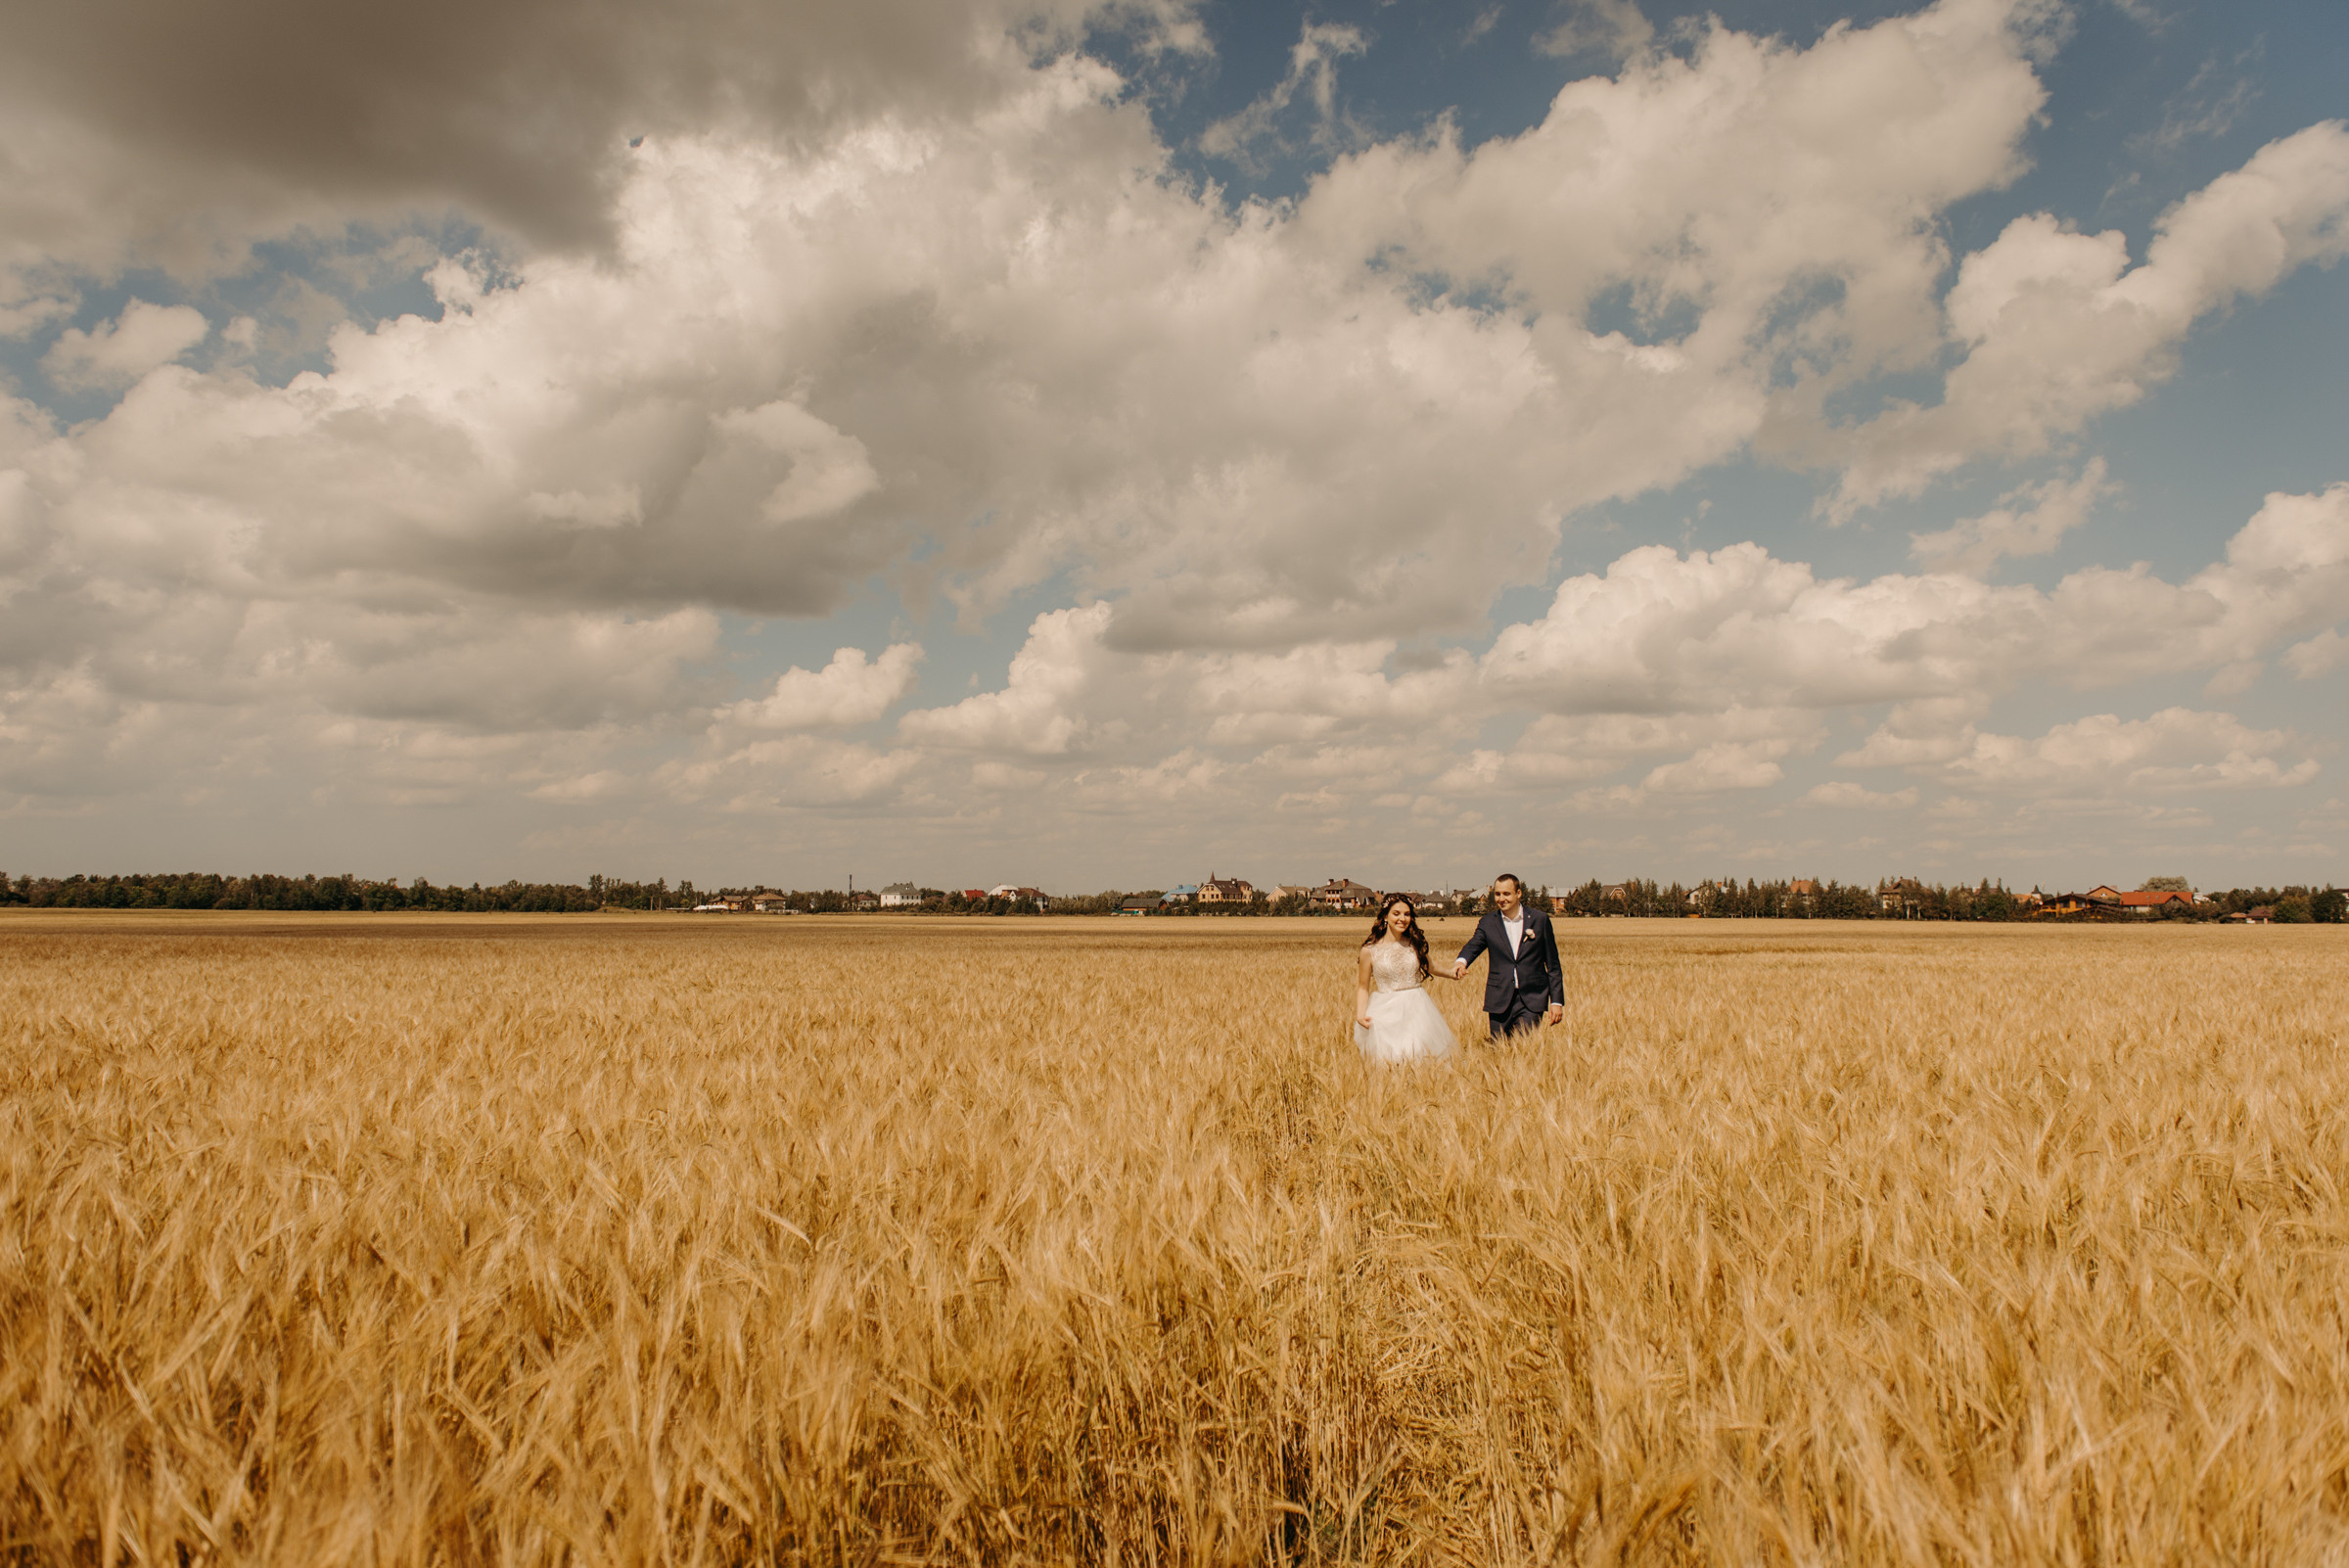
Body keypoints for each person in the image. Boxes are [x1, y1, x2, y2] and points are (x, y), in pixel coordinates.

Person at [1451, 873, 1563, 1043]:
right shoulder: (1488, 922)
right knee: (1498, 1049)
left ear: (1519, 893)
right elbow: (1474, 945)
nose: (1501, 899)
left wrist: (1556, 1002)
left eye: (1506, 894)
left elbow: (1553, 964)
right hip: (1499, 998)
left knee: (1526, 1050)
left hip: (1532, 998)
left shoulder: (1540, 920)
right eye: (1497, 894)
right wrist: (1461, 962)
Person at [1353, 894, 1457, 1063]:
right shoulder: (1369, 951)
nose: (1402, 918)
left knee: (1419, 1056)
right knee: (1389, 1060)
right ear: (1385, 916)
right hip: (1386, 1013)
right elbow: (1363, 987)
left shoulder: (1414, 944)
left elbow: (1431, 967)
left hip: (1418, 1010)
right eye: (1396, 914)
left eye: (1407, 914)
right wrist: (1360, 1015)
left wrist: (1452, 973)